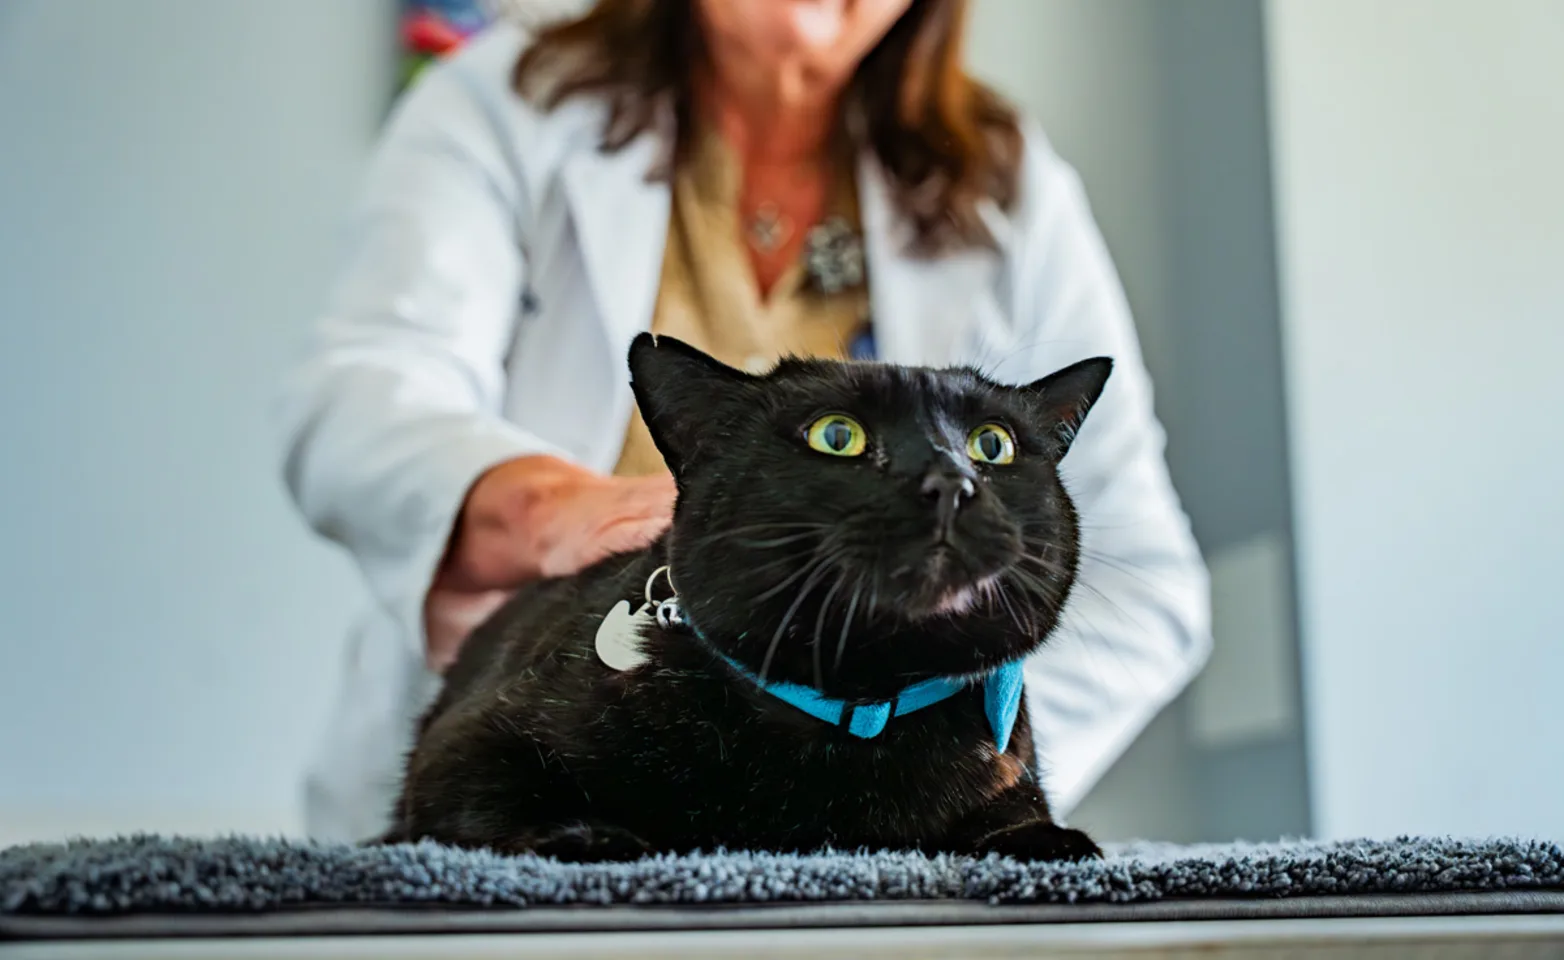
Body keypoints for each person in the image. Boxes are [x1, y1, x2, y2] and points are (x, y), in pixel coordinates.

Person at [277, 0, 1212, 844]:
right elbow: (361, 400)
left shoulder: (1005, 179)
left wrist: (915, 778)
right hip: (549, 783)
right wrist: (560, 516)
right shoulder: (507, 99)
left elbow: (1153, 591)